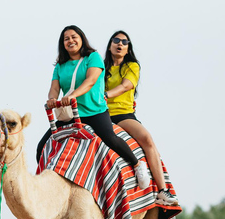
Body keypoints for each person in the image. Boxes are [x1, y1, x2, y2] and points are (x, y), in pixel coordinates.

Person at [36, 25, 151, 189]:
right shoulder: (60, 66)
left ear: (81, 39)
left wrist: (72, 96)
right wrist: (52, 99)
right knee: (42, 146)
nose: (70, 41)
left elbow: (90, 81)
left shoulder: (93, 58)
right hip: (70, 114)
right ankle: (43, 183)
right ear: (63, 44)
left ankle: (137, 165)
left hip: (94, 111)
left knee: (110, 138)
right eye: (66, 38)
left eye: (74, 37)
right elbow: (54, 88)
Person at [103, 30, 178, 205]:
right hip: (102, 114)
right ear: (110, 45)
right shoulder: (100, 68)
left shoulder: (132, 66)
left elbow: (125, 86)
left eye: (124, 41)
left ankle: (162, 191)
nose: (120, 44)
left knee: (147, 140)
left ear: (128, 49)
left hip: (122, 114)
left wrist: (105, 95)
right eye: (116, 40)